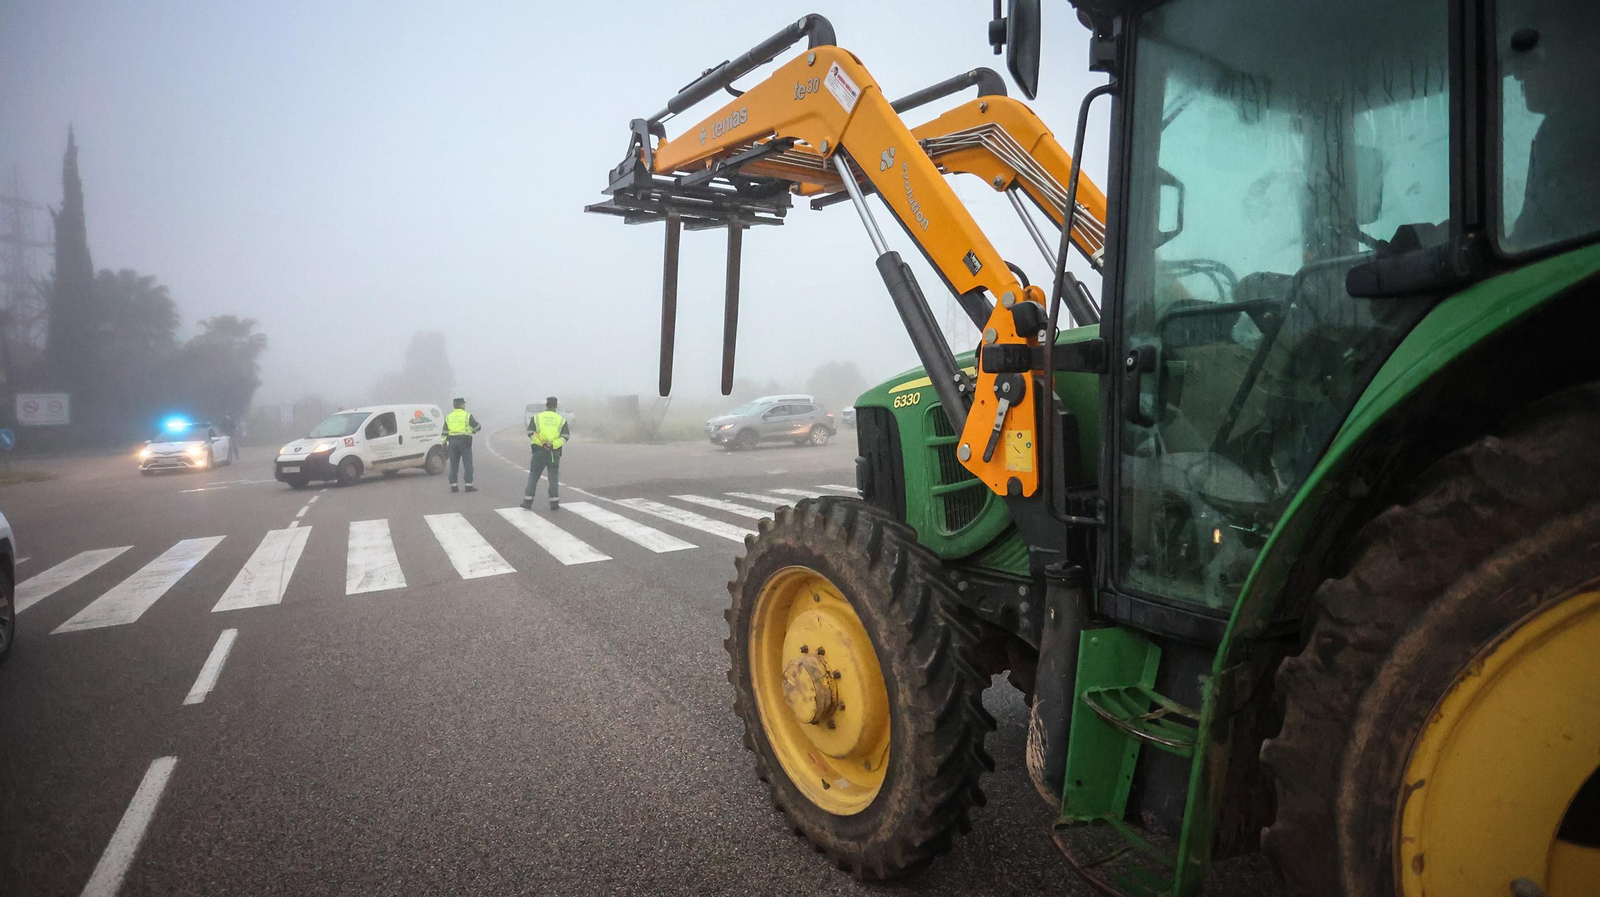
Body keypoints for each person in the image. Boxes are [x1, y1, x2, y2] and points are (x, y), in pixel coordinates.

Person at [521, 396, 569, 511]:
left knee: (534, 475)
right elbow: (565, 436)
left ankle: (528, 501)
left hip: (539, 451)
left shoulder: (537, 418)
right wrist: (553, 445)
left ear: (546, 405)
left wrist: (542, 443)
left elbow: (530, 432)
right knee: (553, 476)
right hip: (554, 452)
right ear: (556, 406)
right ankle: (554, 502)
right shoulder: (561, 419)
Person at [441, 397, 481, 493]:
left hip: (452, 442)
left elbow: (444, 431)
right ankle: (468, 485)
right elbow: (477, 427)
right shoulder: (467, 415)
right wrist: (472, 431)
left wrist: (443, 443)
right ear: (462, 405)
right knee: (467, 463)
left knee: (454, 464)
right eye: (464, 404)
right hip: (464, 441)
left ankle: (454, 486)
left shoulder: (449, 416)